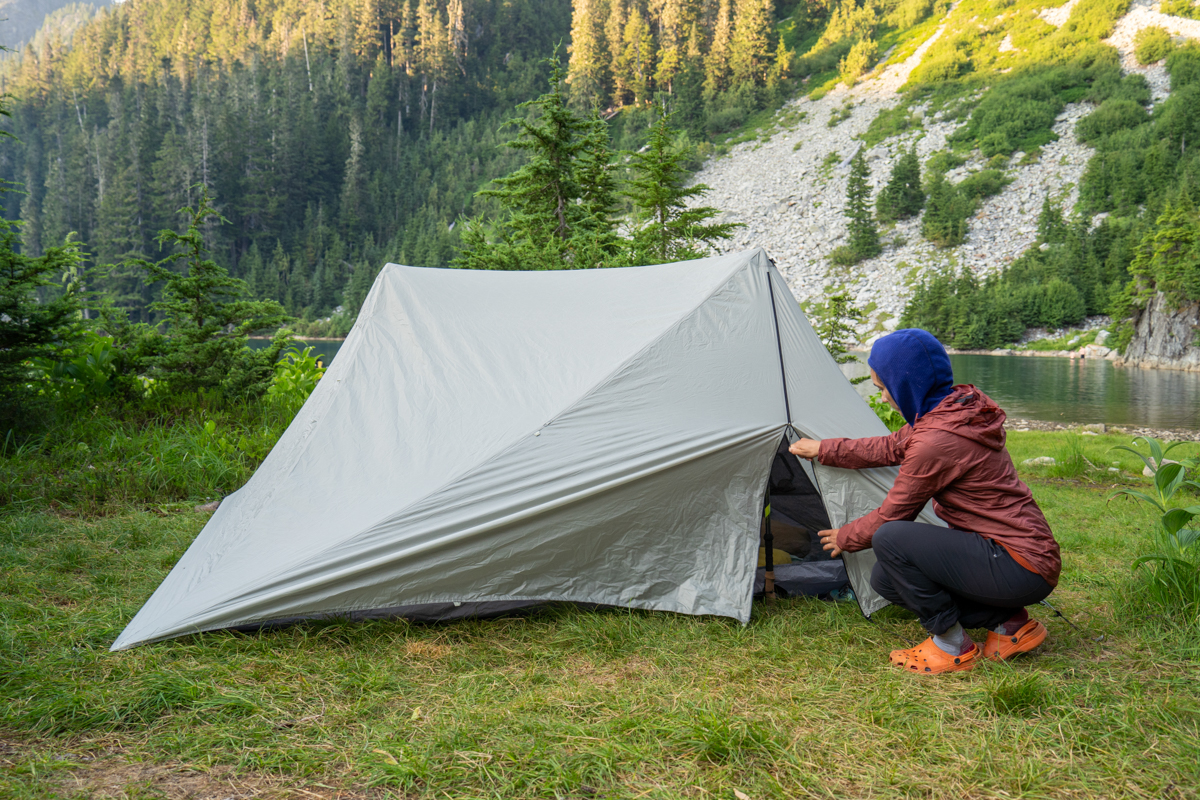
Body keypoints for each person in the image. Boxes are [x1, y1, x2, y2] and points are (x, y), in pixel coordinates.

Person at [789, 328, 1060, 674]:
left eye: (884, 388)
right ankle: (1009, 624)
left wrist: (846, 537)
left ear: (906, 384)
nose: (885, 397)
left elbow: (893, 515)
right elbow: (889, 447)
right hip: (1015, 557)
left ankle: (951, 646)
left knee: (891, 537)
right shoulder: (951, 411)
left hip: (1018, 562)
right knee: (885, 580)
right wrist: (825, 449)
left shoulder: (938, 439)